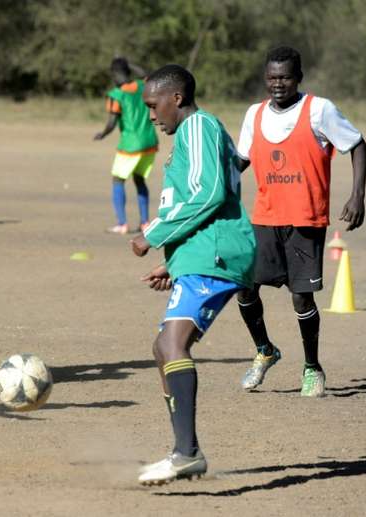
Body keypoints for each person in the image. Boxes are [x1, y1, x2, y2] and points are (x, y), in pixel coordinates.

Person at [130, 65, 256, 485]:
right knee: (163, 348)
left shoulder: (198, 126)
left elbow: (209, 193)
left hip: (217, 253)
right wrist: (175, 259)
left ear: (176, 98)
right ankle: (184, 450)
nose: (151, 115)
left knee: (173, 342)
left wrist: (155, 233)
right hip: (203, 252)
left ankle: (187, 452)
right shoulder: (191, 134)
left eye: (153, 105)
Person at [235, 46, 366, 397]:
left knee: (301, 300)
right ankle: (264, 350)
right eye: (272, 77)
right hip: (264, 216)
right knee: (244, 287)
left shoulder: (319, 110)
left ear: (299, 78)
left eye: (285, 77)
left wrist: (357, 195)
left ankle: (312, 367)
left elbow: (356, 144)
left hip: (305, 219)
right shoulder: (254, 114)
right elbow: (240, 160)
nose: (278, 83)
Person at [94, 57, 158, 234]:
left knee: (118, 179)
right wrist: (129, 66)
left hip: (130, 145)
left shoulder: (117, 94)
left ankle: (122, 224)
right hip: (149, 142)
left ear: (115, 74)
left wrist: (103, 133)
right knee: (139, 179)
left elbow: (112, 123)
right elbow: (149, 75)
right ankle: (145, 222)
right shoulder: (143, 86)